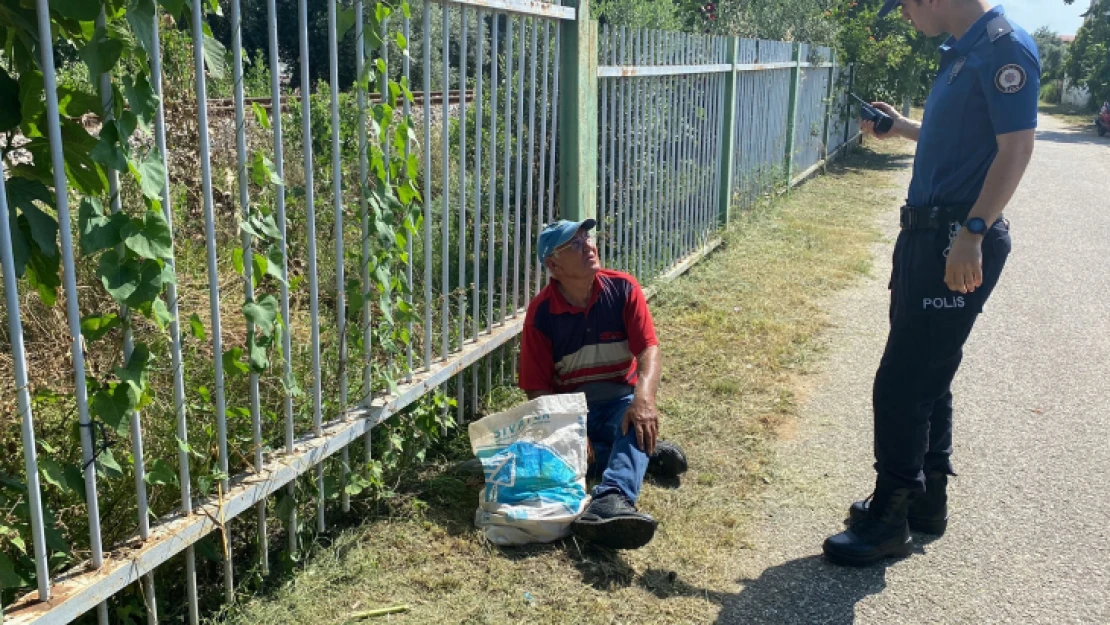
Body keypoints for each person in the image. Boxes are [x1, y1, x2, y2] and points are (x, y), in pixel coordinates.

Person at [822, 0, 1039, 567]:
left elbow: (1017, 148)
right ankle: (925, 500)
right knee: (929, 374)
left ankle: (888, 519)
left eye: (905, 4)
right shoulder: (963, 51)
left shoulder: (1003, 47)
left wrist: (972, 231)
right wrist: (902, 128)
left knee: (901, 382)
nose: (903, 16)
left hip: (954, 235)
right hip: (927, 234)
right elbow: (959, 138)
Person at [518, 219, 687, 550]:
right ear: (553, 265)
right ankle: (642, 457)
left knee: (636, 421)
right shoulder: (541, 314)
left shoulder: (624, 289)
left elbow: (648, 350)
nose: (589, 246)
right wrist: (569, 431)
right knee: (571, 451)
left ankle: (611, 499)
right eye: (576, 245)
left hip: (618, 404)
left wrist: (644, 400)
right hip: (571, 411)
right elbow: (536, 389)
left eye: (588, 238)